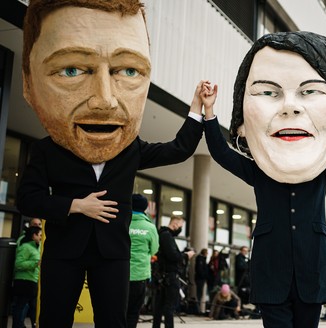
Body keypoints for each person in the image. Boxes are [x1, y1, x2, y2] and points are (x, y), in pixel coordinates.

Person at [16, 0, 204, 326]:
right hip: (64, 251)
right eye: (72, 69)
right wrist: (76, 205)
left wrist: (197, 110)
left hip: (113, 254)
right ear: (28, 84)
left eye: (127, 71)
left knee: (113, 321)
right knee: (53, 320)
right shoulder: (48, 150)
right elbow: (27, 199)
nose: (104, 100)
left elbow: (179, 149)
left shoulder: (129, 149)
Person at [197, 31, 326, 328]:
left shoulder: (321, 173)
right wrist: (210, 111)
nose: (290, 107)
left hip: (311, 274)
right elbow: (221, 153)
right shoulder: (259, 172)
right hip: (271, 274)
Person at [152, 215, 195, 328]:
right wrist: (186, 255)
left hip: (164, 275)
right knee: (169, 306)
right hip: (169, 276)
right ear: (175, 224)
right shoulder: (166, 236)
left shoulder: (163, 235)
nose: (180, 229)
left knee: (160, 306)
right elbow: (173, 256)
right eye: (180, 226)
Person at [127, 194, 159, 328]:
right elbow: (154, 250)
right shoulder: (150, 227)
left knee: (117, 309)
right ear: (145, 208)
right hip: (139, 275)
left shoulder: (122, 221)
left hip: (118, 273)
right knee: (134, 311)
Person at [11, 226, 41, 328]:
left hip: (32, 280)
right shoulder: (25, 247)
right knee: (21, 307)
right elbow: (18, 264)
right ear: (34, 235)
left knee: (32, 308)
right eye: (40, 235)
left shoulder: (37, 247)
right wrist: (35, 263)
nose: (41, 237)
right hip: (24, 281)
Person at [194, 248, 209, 312]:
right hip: (200, 279)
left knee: (200, 294)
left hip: (201, 278)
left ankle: (199, 308)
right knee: (199, 294)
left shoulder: (202, 259)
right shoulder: (200, 259)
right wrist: (204, 275)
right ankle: (198, 309)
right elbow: (200, 270)